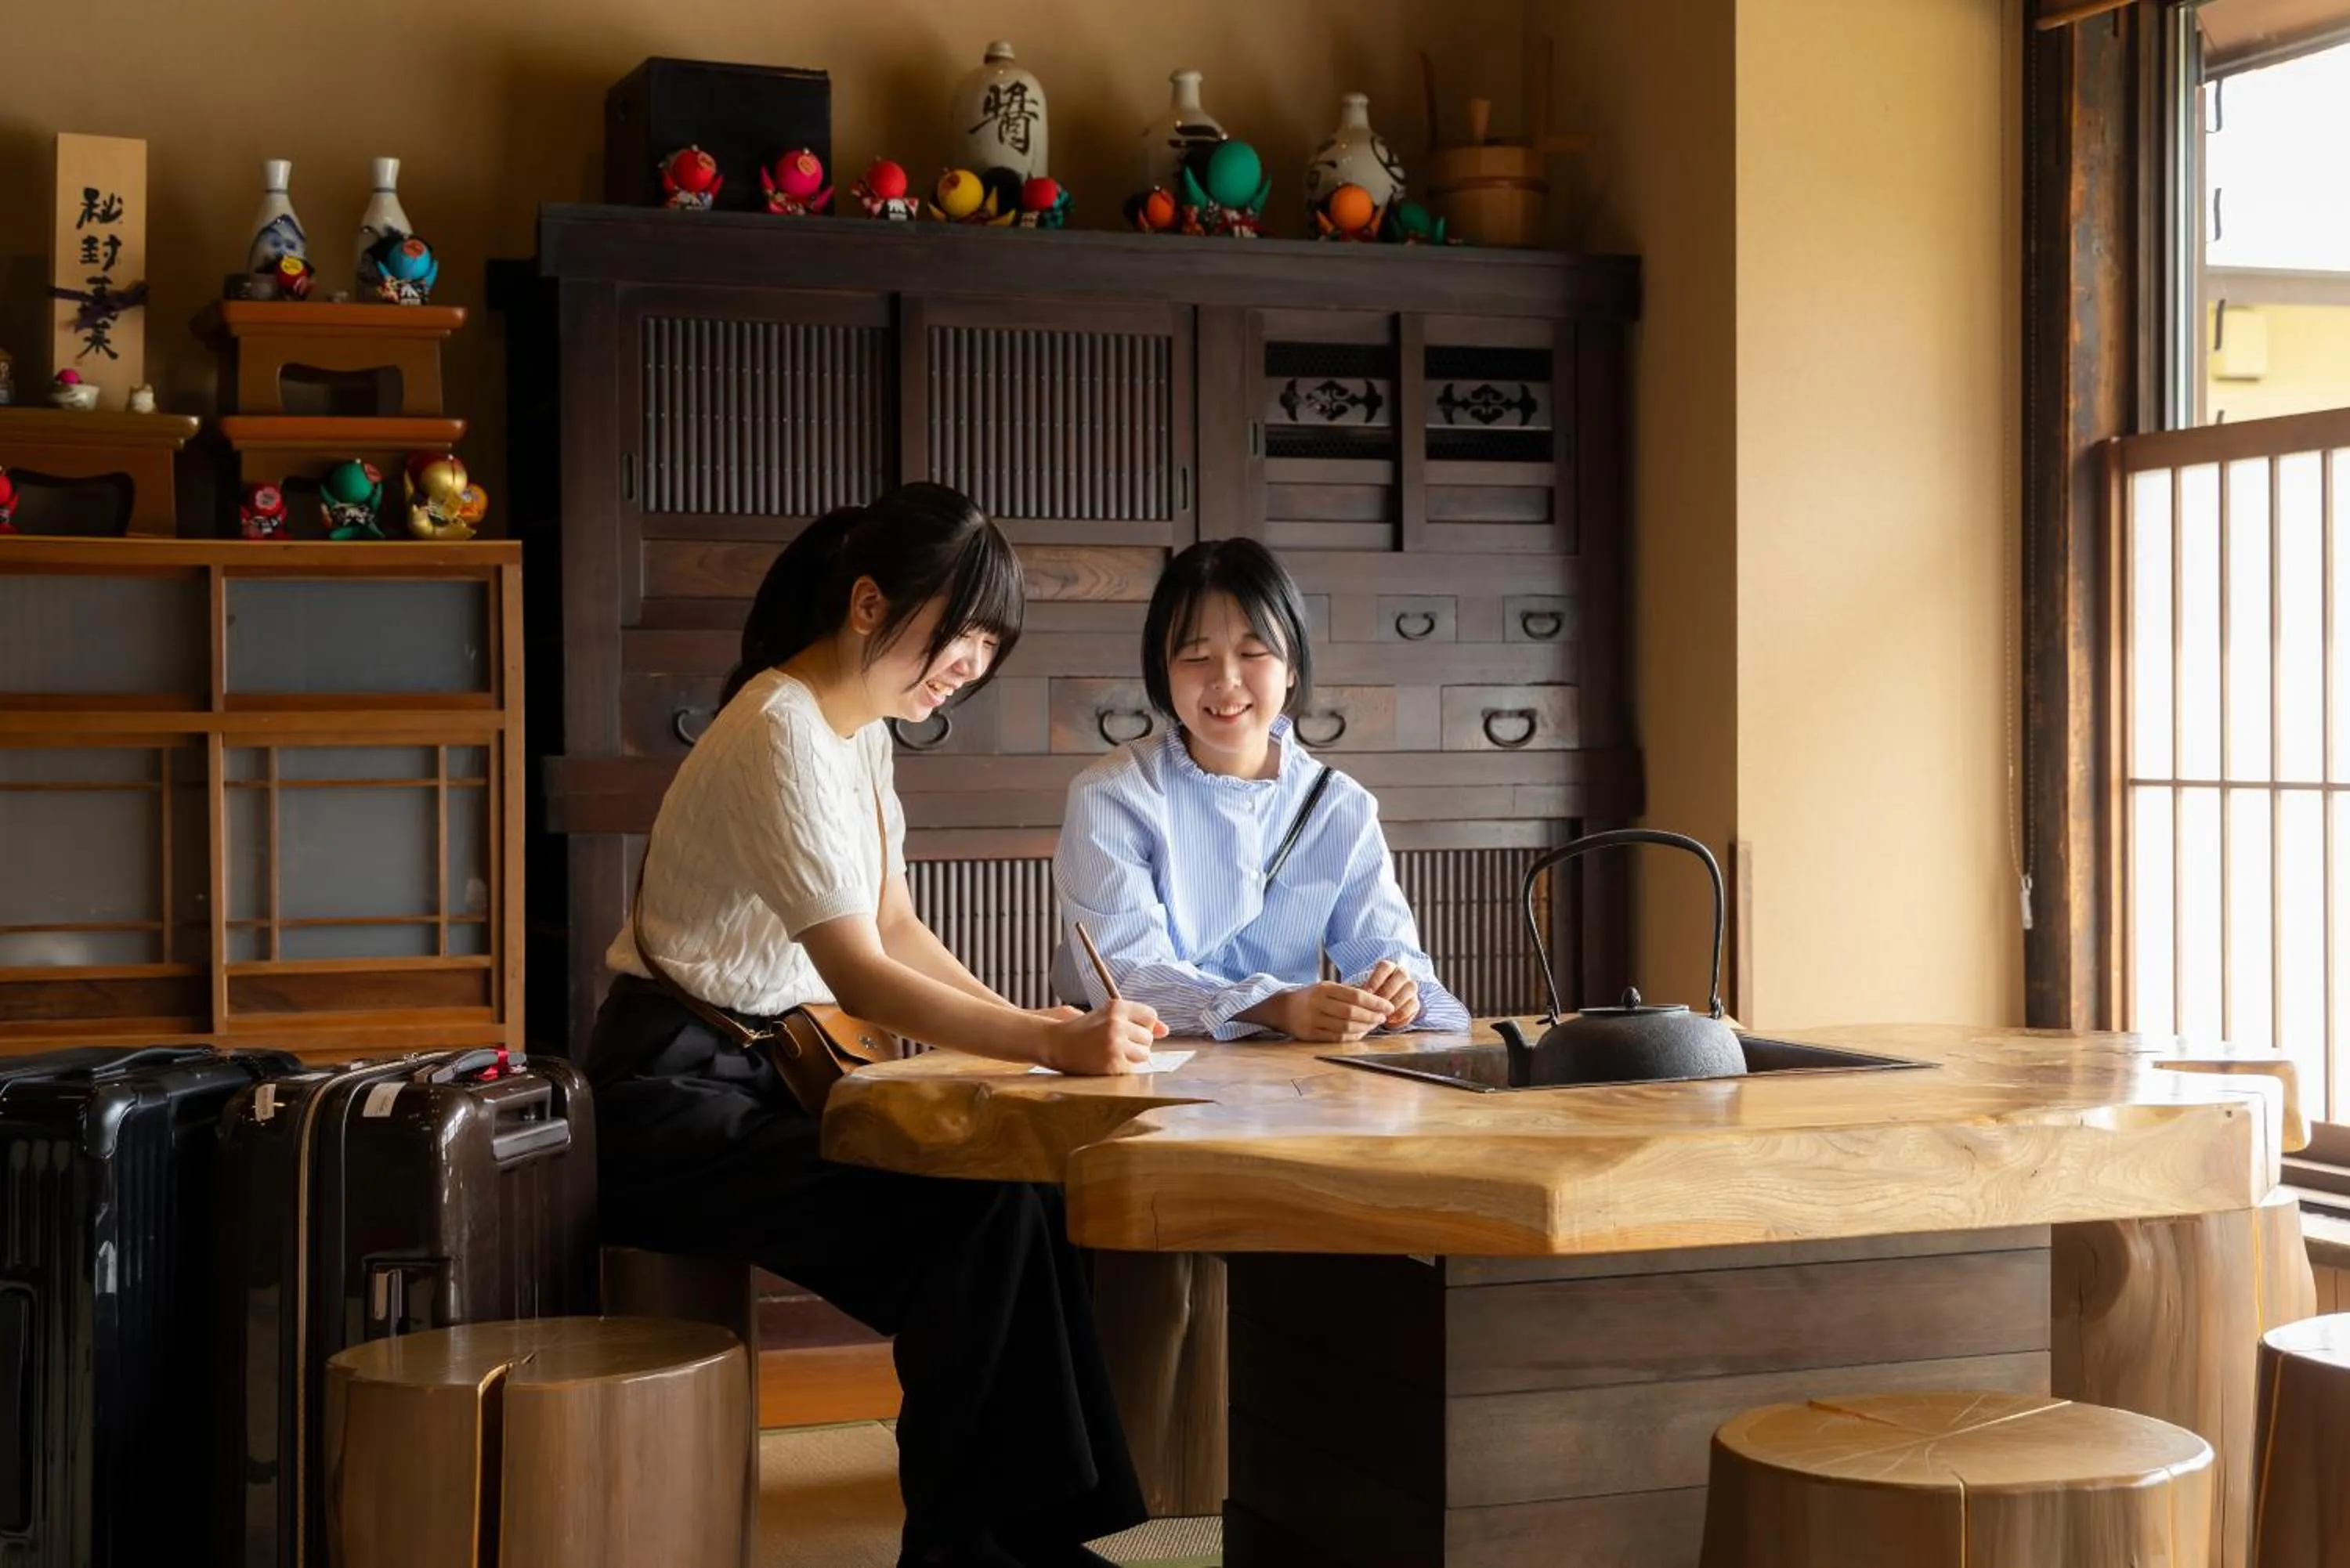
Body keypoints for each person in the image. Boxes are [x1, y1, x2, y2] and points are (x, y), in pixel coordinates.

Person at [583, 483, 1162, 1568]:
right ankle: (966, 1549)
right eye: (960, 632)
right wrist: (1046, 1043)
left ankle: (1022, 1535)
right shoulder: (780, 727)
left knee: (1025, 1189)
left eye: (991, 641)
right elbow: (859, 968)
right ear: (865, 604)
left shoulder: (856, 732)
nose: (971, 664)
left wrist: (1026, 1020)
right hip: (671, 1104)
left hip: (756, 1081)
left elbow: (898, 921)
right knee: (974, 1219)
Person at [1053, 537, 1470, 1042]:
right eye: (1196, 657)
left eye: (1253, 653)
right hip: (1140, 1063)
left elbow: (1389, 955)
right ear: (1163, 670)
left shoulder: (1339, 805)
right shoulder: (1113, 795)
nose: (1226, 681)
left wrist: (1396, 993)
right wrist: (1274, 1006)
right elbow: (1126, 978)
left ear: (1291, 666)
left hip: (1289, 1078)